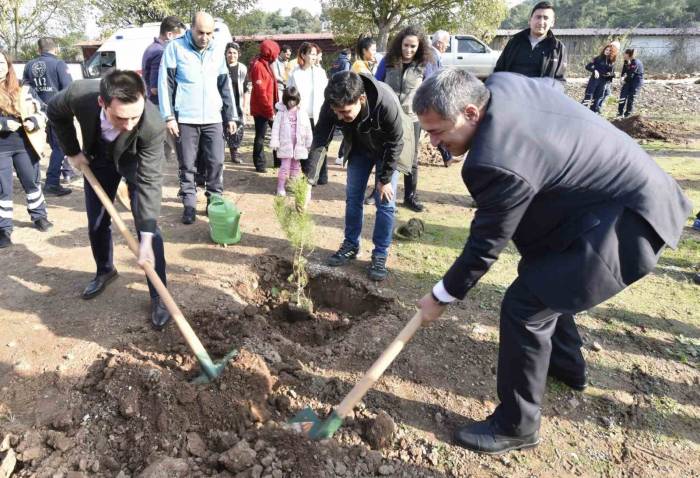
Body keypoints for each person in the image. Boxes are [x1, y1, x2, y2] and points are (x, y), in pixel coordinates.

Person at [413, 69, 691, 454]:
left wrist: (442, 295)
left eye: (439, 131)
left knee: (525, 306)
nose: (434, 142)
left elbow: (486, 243)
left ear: (471, 112)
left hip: (628, 221)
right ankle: (567, 367)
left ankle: (517, 426)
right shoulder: (502, 84)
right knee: (544, 277)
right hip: (601, 202)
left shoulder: (495, 159)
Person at [47, 69, 172, 330]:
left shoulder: (151, 124)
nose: (128, 125)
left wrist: (145, 239)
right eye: (120, 118)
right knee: (97, 221)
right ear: (102, 103)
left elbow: (149, 184)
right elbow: (55, 112)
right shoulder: (79, 93)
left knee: (147, 227)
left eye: (134, 117)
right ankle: (105, 270)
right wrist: (72, 151)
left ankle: (159, 295)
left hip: (134, 159)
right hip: (98, 158)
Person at [305, 71, 414, 281]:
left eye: (345, 112)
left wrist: (384, 179)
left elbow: (396, 142)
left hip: (388, 149)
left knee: (385, 202)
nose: (339, 117)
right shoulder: (332, 104)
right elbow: (320, 139)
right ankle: (351, 244)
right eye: (336, 112)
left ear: (361, 99)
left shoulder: (385, 102)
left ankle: (380, 253)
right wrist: (309, 181)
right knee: (353, 197)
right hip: (359, 147)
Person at [158, 11, 237, 225]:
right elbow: (166, 85)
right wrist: (169, 116)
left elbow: (225, 85)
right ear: (191, 29)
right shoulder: (175, 48)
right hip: (185, 118)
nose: (205, 37)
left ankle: (214, 200)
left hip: (213, 117)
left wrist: (231, 115)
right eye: (200, 32)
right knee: (187, 164)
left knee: (216, 161)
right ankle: (190, 204)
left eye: (209, 33)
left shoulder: (217, 49)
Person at [376, 25, 436, 213]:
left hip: (412, 119)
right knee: (384, 154)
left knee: (411, 159)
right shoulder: (387, 61)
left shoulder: (425, 65)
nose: (408, 50)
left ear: (419, 47)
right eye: (405, 45)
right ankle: (378, 190)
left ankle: (410, 196)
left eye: (413, 46)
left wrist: (427, 118)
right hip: (387, 116)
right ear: (399, 44)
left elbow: (429, 91)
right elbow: (377, 84)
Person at [0, 51, 52, 248]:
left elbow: (43, 110)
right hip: (0, 148)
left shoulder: (24, 87)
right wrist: (3, 124)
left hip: (25, 144)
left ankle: (39, 216)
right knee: (3, 189)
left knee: (32, 182)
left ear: (8, 64)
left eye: (2, 62)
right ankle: (3, 228)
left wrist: (33, 121)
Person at [22, 37, 75, 196]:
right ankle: (52, 182)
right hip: (57, 111)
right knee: (60, 147)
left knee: (41, 146)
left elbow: (26, 89)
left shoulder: (29, 65)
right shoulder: (59, 64)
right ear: (55, 49)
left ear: (39, 50)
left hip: (35, 113)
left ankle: (65, 171)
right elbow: (69, 89)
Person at [141, 16, 185, 163]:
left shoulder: (151, 48)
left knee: (161, 151)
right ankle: (187, 183)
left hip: (154, 109)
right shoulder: (160, 52)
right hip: (161, 110)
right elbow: (155, 88)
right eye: (179, 38)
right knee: (181, 150)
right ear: (170, 35)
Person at [494, 1, 566, 90]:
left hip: (540, 98)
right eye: (538, 17)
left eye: (546, 18)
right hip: (512, 94)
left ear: (552, 22)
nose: (541, 22)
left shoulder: (557, 48)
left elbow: (559, 81)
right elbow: (499, 71)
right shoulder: (514, 42)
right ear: (530, 20)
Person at [288, 42, 329, 184]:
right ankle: (308, 175)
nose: (313, 56)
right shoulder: (295, 73)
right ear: (303, 55)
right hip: (302, 116)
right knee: (304, 145)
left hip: (319, 114)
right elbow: (289, 93)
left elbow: (326, 92)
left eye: (315, 54)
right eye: (311, 53)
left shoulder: (320, 72)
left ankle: (322, 176)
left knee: (319, 145)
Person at [270, 87, 313, 196]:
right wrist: (275, 141)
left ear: (297, 99)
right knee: (284, 167)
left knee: (296, 166)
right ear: (285, 100)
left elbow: (308, 128)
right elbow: (275, 128)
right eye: (289, 100)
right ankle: (280, 187)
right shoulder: (281, 112)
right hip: (285, 144)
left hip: (298, 144)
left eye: (293, 100)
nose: (291, 103)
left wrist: (309, 142)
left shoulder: (302, 112)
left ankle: (292, 185)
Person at [249, 39, 281, 173]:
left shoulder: (267, 64)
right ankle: (260, 164)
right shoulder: (258, 66)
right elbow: (261, 92)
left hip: (271, 106)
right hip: (262, 108)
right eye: (276, 53)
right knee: (260, 136)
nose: (277, 56)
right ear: (270, 52)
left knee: (277, 134)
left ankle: (278, 161)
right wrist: (269, 111)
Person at [224, 42, 249, 164]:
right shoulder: (221, 67)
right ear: (225, 54)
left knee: (238, 129)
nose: (232, 55)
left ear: (238, 54)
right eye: (229, 52)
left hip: (237, 103)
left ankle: (235, 153)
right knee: (222, 129)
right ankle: (219, 155)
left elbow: (245, 89)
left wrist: (245, 106)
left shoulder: (242, 68)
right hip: (223, 104)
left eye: (234, 53)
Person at [582, 41, 618, 114]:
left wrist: (610, 74)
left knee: (597, 99)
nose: (607, 51)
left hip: (603, 83)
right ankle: (581, 112)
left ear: (612, 52)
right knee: (588, 97)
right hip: (594, 81)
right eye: (606, 50)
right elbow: (587, 66)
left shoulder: (611, 62)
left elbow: (613, 74)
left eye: (609, 51)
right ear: (604, 50)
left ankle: (593, 113)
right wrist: (594, 70)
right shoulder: (597, 58)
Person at [618, 48, 644, 118]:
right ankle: (620, 113)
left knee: (631, 98)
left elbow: (631, 74)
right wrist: (622, 77)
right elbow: (624, 71)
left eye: (624, 54)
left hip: (636, 82)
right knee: (622, 96)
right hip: (628, 80)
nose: (623, 55)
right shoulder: (626, 61)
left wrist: (624, 79)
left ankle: (627, 115)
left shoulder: (635, 62)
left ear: (628, 54)